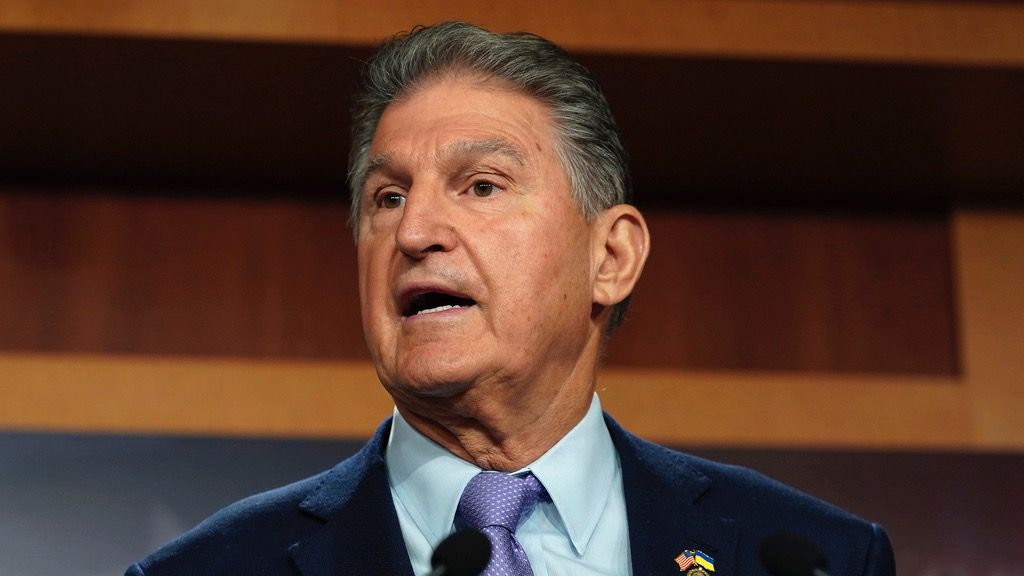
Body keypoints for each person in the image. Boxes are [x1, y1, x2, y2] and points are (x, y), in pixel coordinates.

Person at [127, 21, 895, 576]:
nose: (416, 230)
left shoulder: (810, 556)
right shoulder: (210, 571)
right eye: (387, 197)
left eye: (482, 186)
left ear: (611, 256)